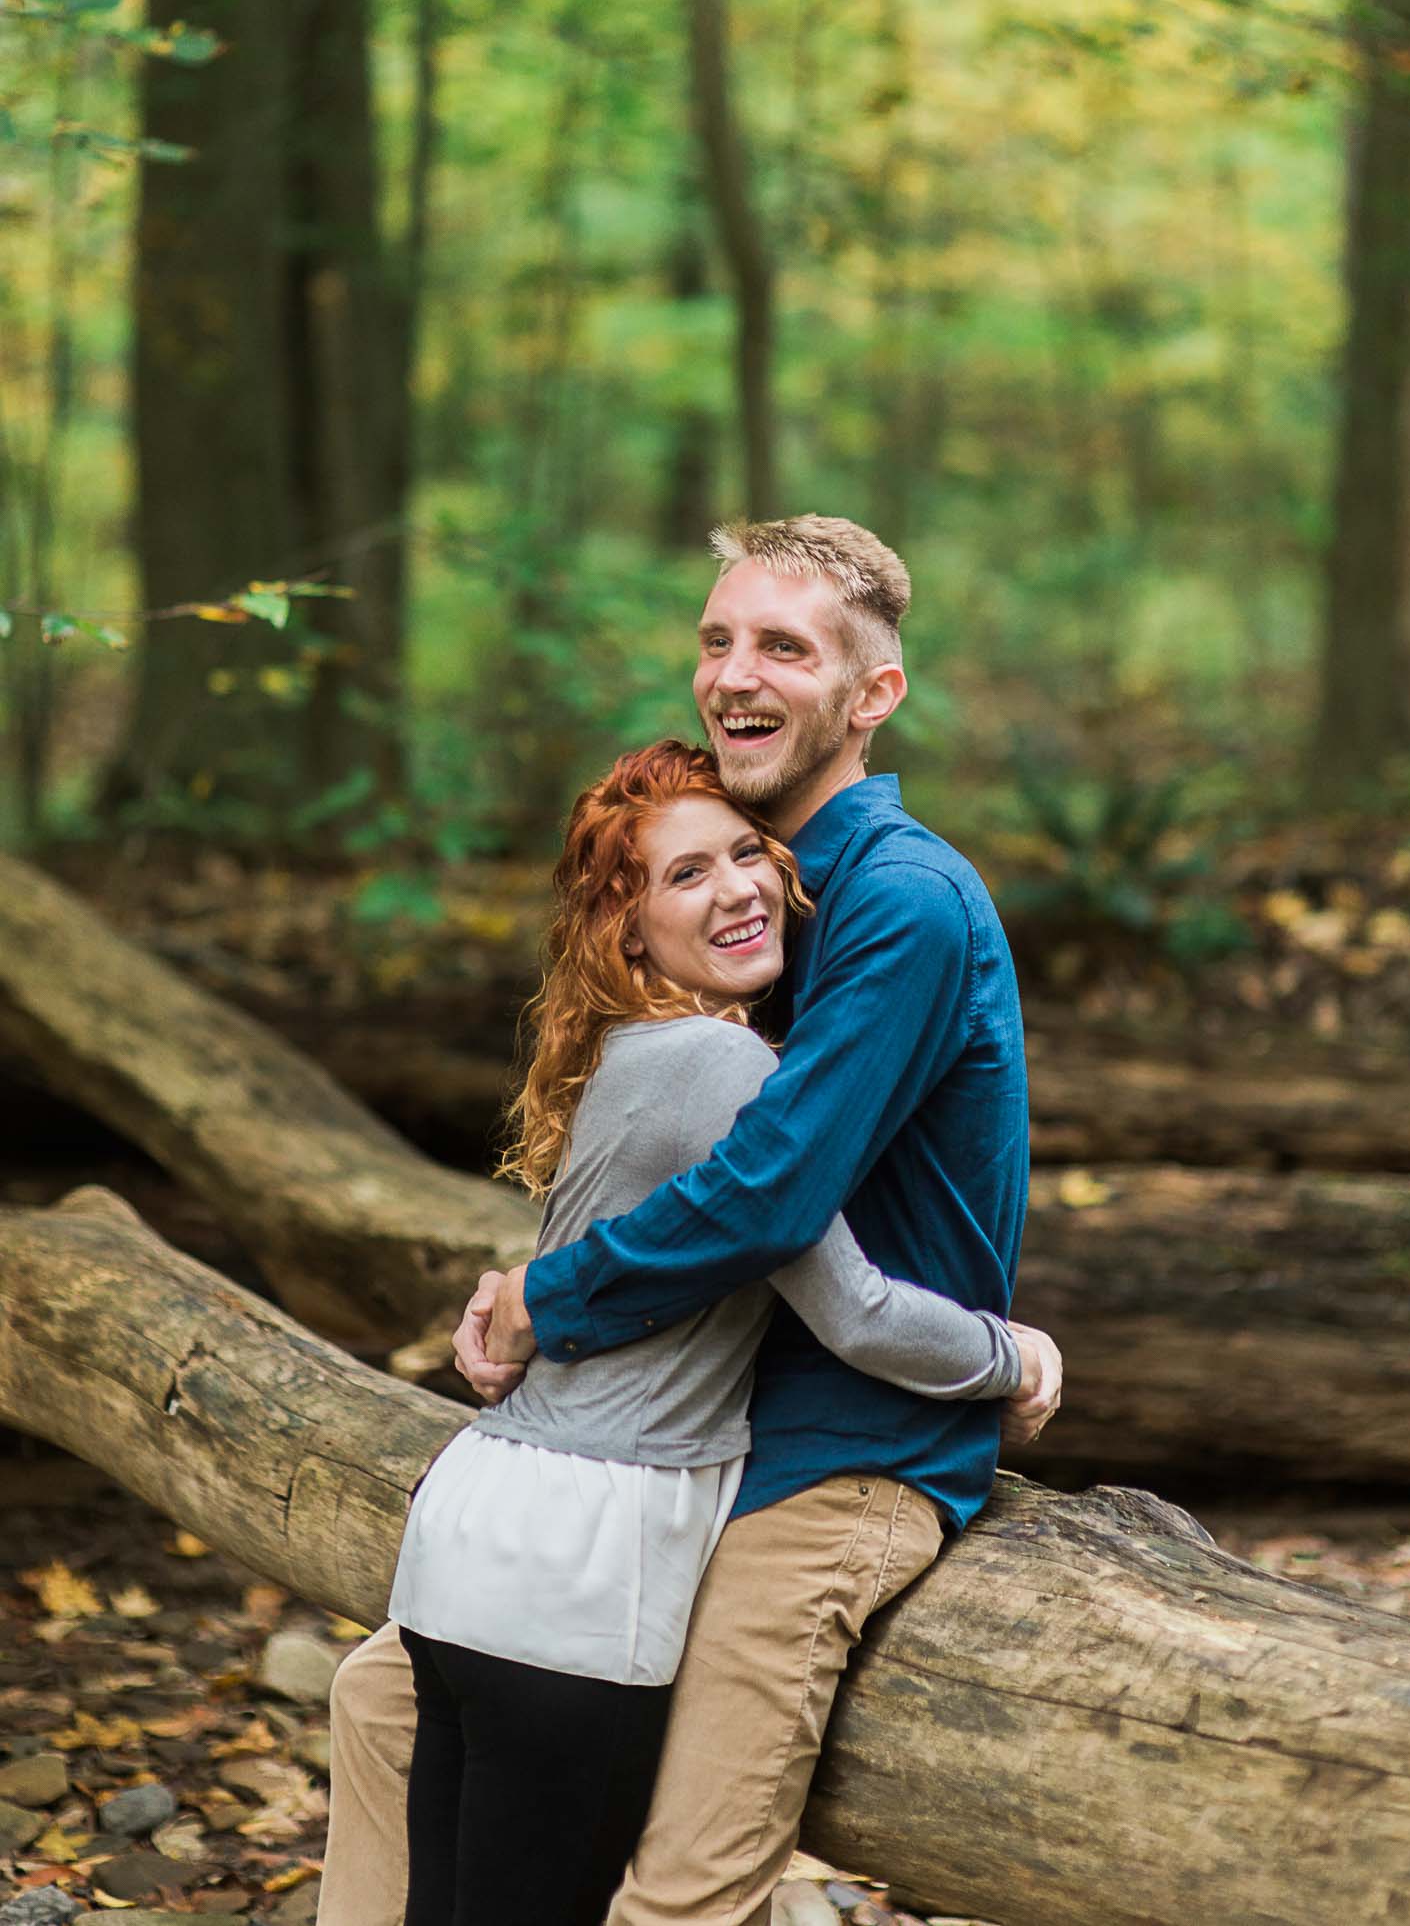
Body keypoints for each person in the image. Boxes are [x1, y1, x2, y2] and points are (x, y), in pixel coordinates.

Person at [320, 514, 1059, 1926]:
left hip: (849, 1451)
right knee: (382, 1702)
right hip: (698, 1437)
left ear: (874, 693)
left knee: (680, 1886)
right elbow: (671, 1146)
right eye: (719, 639)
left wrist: (555, 1296)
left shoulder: (898, 903)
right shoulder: (762, 892)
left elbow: (769, 1191)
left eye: (785, 645)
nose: (735, 673)